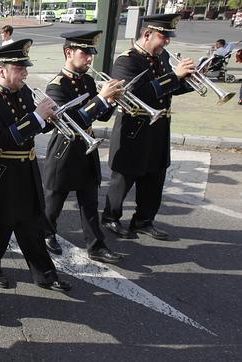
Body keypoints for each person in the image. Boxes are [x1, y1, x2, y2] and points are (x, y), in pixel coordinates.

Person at [0, 39, 72, 291]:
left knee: (32, 224)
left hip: (26, 169)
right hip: (1, 172)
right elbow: (1, 139)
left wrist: (49, 118)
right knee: (0, 226)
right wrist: (37, 117)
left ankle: (45, 274)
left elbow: (33, 129)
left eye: (24, 67)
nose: (25, 72)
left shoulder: (23, 91)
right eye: (19, 68)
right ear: (2, 70)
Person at [102, 14, 195, 241]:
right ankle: (110, 218)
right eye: (163, 36)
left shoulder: (160, 58)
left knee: (155, 176)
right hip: (135, 126)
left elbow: (168, 89)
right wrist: (174, 76)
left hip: (159, 126)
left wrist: (190, 80)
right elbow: (138, 94)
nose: (167, 42)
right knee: (124, 177)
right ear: (147, 34)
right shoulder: (126, 61)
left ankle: (144, 220)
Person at [42, 30, 124, 264]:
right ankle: (46, 233)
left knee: (89, 199)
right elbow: (72, 120)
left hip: (88, 147)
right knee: (54, 199)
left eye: (91, 54)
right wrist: (100, 99)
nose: (90, 59)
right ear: (69, 52)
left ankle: (95, 245)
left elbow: (101, 117)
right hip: (65, 147)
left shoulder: (87, 80)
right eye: (85, 53)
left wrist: (111, 99)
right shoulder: (56, 86)